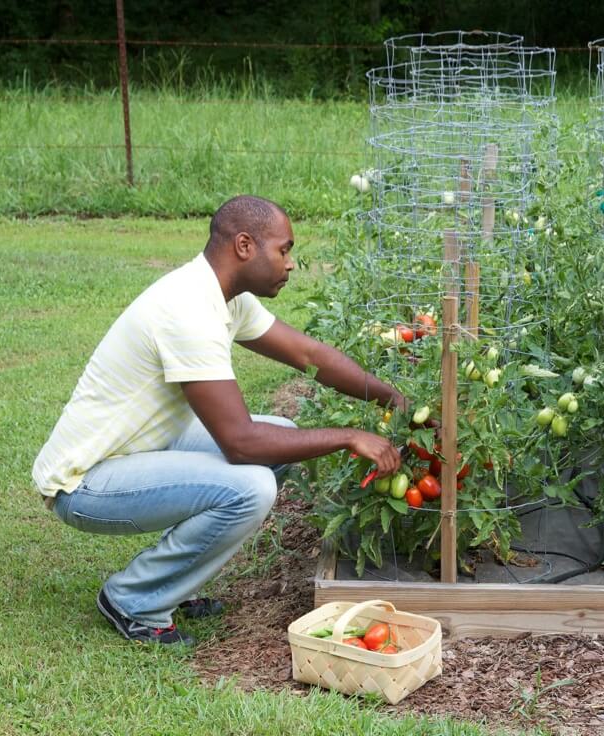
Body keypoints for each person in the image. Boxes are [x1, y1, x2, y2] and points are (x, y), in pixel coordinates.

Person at [33, 195, 405, 645]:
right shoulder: (187, 310)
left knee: (283, 439)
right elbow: (241, 443)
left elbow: (308, 356)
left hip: (139, 450)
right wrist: (348, 436)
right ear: (245, 245)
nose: (290, 265)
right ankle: (134, 600)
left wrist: (392, 398)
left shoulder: (222, 297)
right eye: (284, 250)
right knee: (252, 486)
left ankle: (172, 583)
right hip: (85, 483)